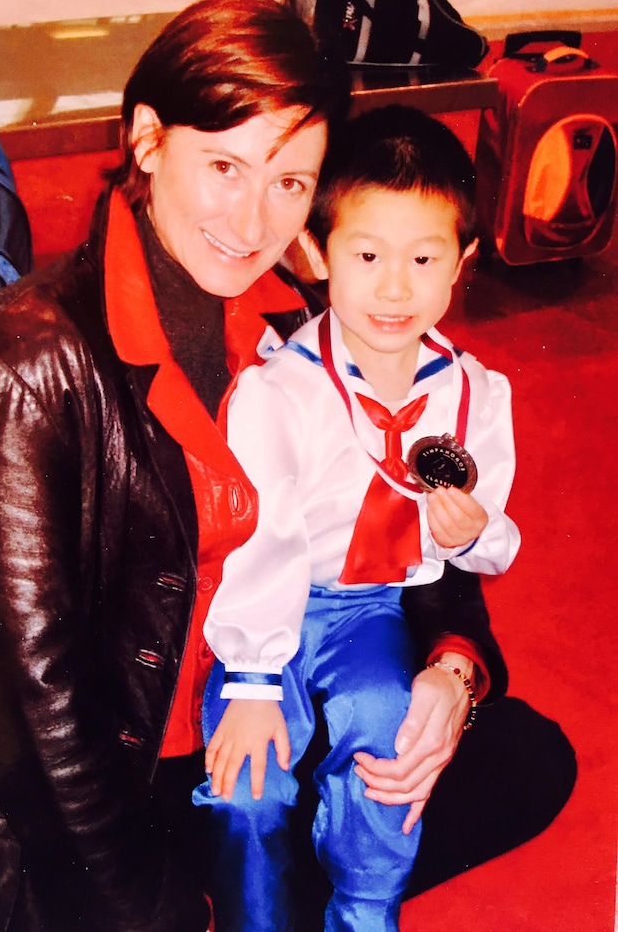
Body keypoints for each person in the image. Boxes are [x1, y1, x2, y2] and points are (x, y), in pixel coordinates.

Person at [0, 1, 574, 931]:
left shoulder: (300, 315)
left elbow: (403, 526)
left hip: (281, 696)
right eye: (224, 165)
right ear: (146, 138)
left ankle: (262, 880)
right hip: (109, 777)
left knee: (529, 756)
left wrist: (452, 670)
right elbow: (36, 708)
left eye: (290, 181)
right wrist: (147, 908)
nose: (253, 218)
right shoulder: (19, 370)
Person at [193, 105, 521, 931]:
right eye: (367, 255)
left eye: (424, 258)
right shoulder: (281, 391)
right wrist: (258, 681)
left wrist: (473, 531)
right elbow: (260, 544)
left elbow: (495, 548)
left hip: (369, 608)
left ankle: (368, 908)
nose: (395, 287)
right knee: (249, 778)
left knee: (391, 727)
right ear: (316, 253)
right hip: (271, 608)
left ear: (463, 264)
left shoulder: (476, 395)